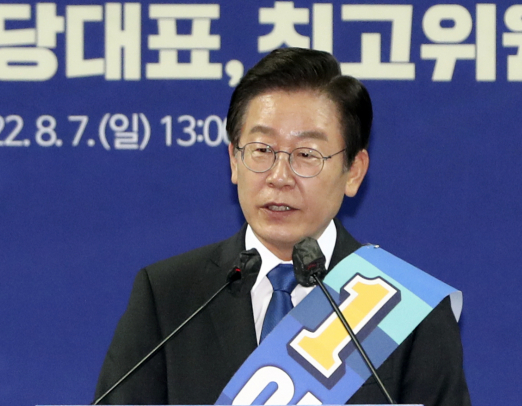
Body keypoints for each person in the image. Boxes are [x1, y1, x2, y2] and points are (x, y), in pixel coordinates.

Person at [94, 48, 471, 405]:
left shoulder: (407, 309)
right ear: (234, 160)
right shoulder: (168, 297)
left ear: (354, 171)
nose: (279, 176)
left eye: (306, 154)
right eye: (262, 150)